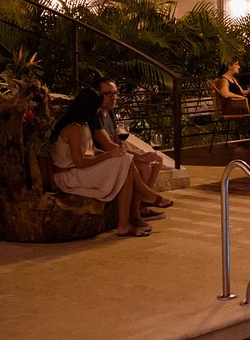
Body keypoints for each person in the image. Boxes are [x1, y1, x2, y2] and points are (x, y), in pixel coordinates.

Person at [49, 87, 163, 238]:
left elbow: (91, 152)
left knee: (123, 160)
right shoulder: (73, 129)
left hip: (78, 171)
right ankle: (145, 196)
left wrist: (112, 155)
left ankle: (126, 221)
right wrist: (109, 155)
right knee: (124, 161)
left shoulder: (82, 125)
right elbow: (80, 163)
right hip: (68, 177)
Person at [91, 78, 170, 194]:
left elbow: (118, 142)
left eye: (115, 93)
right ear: (98, 95)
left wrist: (136, 152)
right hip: (104, 158)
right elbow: (109, 146)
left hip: (116, 155)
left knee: (157, 161)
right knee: (144, 166)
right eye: (108, 94)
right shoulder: (95, 116)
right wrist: (139, 157)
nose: (113, 97)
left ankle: (144, 202)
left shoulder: (110, 113)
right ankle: (146, 199)